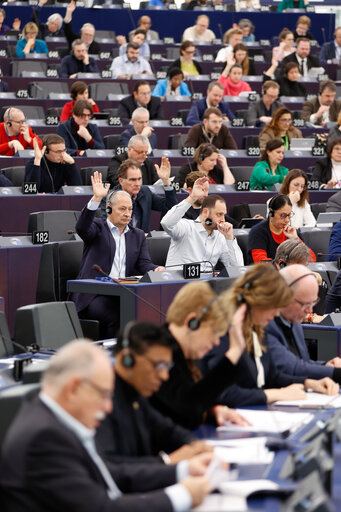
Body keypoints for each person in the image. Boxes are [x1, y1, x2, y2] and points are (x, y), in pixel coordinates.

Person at [0, 339, 213, 511]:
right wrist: (181, 496)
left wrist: (182, 470)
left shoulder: (58, 422)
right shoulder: (44, 438)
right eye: (104, 395)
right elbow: (101, 507)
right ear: (74, 388)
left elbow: (112, 473)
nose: (109, 407)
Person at [204, 264, 337, 408]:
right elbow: (223, 393)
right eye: (274, 306)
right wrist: (275, 394)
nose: (276, 314)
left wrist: (308, 383)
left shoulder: (255, 329)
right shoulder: (224, 332)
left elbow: (271, 374)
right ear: (257, 302)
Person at [96, 322, 212, 464]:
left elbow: (166, 429)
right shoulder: (101, 401)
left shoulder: (136, 394)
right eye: (159, 365)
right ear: (128, 360)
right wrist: (168, 462)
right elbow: (112, 469)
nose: (165, 376)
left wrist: (195, 444)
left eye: (167, 367)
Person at [71, 172, 163, 338]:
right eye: (122, 209)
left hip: (122, 293)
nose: (127, 213)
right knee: (118, 314)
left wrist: (156, 269)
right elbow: (82, 228)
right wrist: (96, 199)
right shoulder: (98, 228)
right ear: (109, 209)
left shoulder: (138, 235)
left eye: (130, 209)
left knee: (146, 309)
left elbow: (144, 265)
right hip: (94, 295)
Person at [151, 280, 249, 429]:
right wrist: (234, 351)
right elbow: (186, 406)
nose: (217, 342)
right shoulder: (158, 354)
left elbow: (182, 401)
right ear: (192, 322)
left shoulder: (180, 354)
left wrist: (212, 410)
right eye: (214, 332)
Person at [266, 264, 341, 381]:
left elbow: (303, 362)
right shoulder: (264, 323)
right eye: (305, 304)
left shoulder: (294, 320)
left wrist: (325, 365)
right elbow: (290, 366)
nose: (310, 311)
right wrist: (335, 373)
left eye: (313, 303)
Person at [161, 186, 244, 271]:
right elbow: (166, 223)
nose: (223, 220)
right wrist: (192, 197)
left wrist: (230, 238)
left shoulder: (221, 236)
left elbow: (237, 268)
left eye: (224, 215)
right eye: (219, 214)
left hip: (207, 283)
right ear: (205, 212)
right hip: (180, 282)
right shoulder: (187, 227)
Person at [107, 158, 177, 234]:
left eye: (139, 179)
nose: (137, 184)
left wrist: (166, 181)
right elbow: (107, 228)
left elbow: (170, 206)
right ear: (121, 181)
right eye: (133, 180)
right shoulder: (111, 198)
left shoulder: (145, 192)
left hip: (143, 242)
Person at [247, 193, 316, 264]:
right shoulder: (258, 232)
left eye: (289, 215)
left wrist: (295, 239)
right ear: (271, 213)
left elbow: (311, 259)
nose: (287, 220)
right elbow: (262, 263)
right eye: (283, 215)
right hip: (265, 274)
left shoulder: (292, 231)